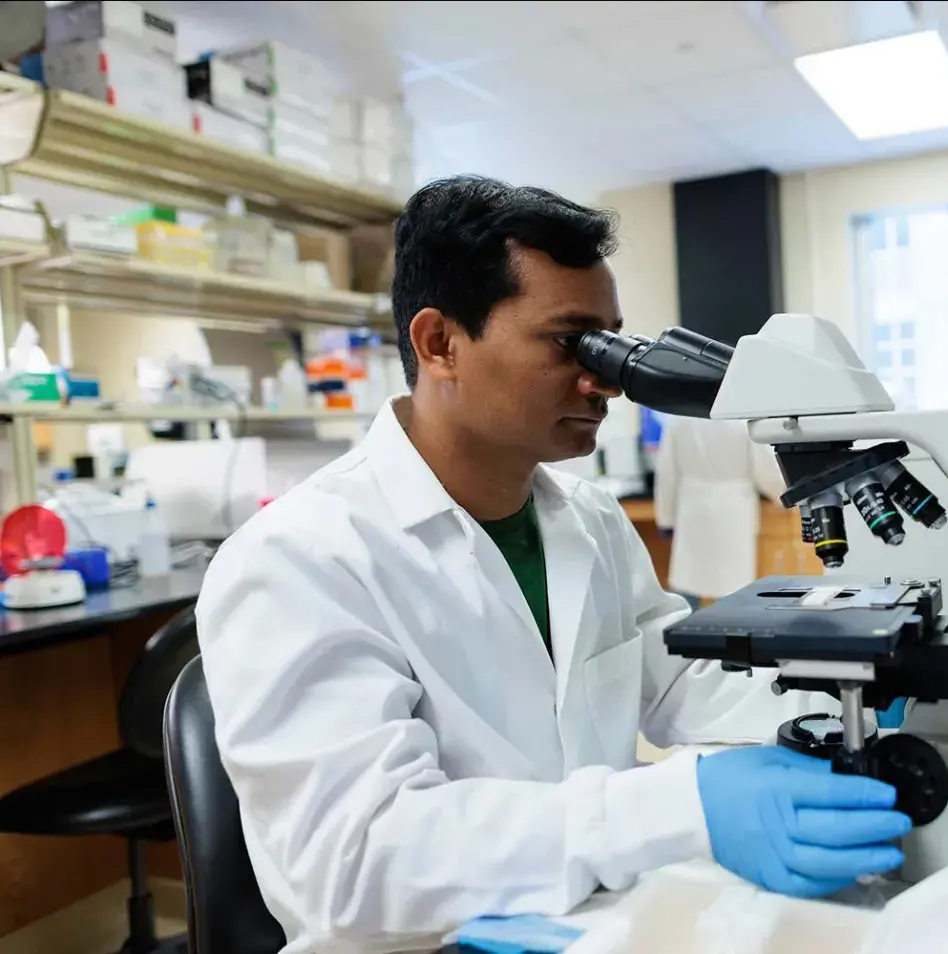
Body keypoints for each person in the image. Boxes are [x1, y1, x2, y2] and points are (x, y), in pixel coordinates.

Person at [195, 176, 911, 953]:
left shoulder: (590, 519)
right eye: (571, 342)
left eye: (613, 343)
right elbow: (353, 862)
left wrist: (860, 693)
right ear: (440, 344)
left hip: (592, 922)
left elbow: (672, 680)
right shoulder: (299, 559)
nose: (606, 382)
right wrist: (681, 806)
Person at [654, 415, 786, 602]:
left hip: (693, 508)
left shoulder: (679, 417)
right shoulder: (743, 415)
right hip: (733, 509)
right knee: (733, 587)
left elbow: (666, 473)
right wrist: (783, 496)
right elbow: (764, 470)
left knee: (689, 582)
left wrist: (665, 519)